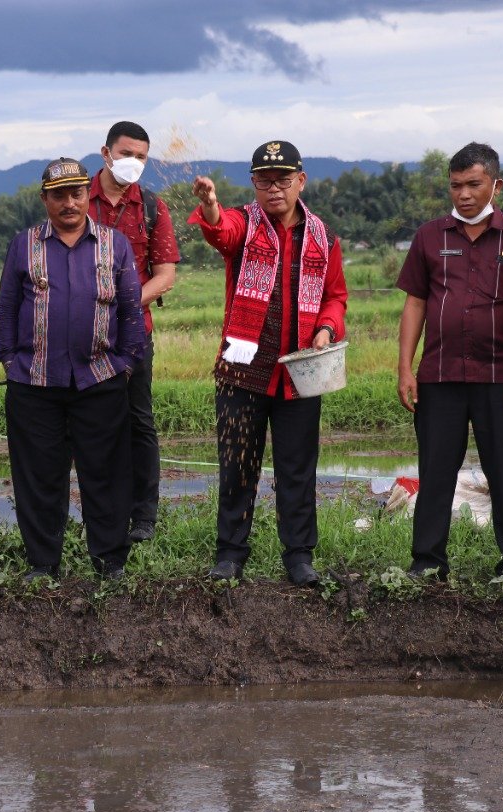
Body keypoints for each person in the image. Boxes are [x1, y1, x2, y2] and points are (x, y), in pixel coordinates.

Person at [190, 140, 348, 586]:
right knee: (238, 462)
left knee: (297, 467)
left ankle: (298, 556)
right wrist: (212, 206)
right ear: (253, 184)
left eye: (283, 179)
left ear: (301, 181)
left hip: (299, 373)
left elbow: (335, 296)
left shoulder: (322, 236)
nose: (274, 188)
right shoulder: (244, 222)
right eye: (263, 180)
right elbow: (222, 232)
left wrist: (327, 329)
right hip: (243, 370)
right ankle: (230, 553)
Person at [0, 158, 145, 582]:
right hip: (33, 381)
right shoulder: (23, 245)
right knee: (39, 476)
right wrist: (8, 358)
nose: (69, 202)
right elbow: (6, 308)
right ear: (45, 199)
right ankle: (43, 564)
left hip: (100, 378)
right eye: (59, 194)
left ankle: (109, 562)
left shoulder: (115, 245)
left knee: (107, 474)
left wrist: (126, 363)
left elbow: (131, 311)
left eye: (77, 193)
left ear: (87, 196)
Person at [396, 143, 503, 579]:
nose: (464, 194)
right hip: (439, 376)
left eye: (474, 184)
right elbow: (416, 304)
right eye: (456, 185)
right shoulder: (429, 236)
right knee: (435, 472)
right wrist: (405, 367)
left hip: (502, 376)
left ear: (496, 185)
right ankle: (428, 561)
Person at [87, 121, 181, 543]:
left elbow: (165, 276)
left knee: (139, 422)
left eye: (141, 157)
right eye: (126, 154)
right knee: (91, 425)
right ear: (106, 153)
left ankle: (144, 515)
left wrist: (122, 302)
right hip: (81, 336)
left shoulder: (153, 207)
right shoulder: (75, 198)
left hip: (133, 332)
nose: (133, 163)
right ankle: (102, 513)